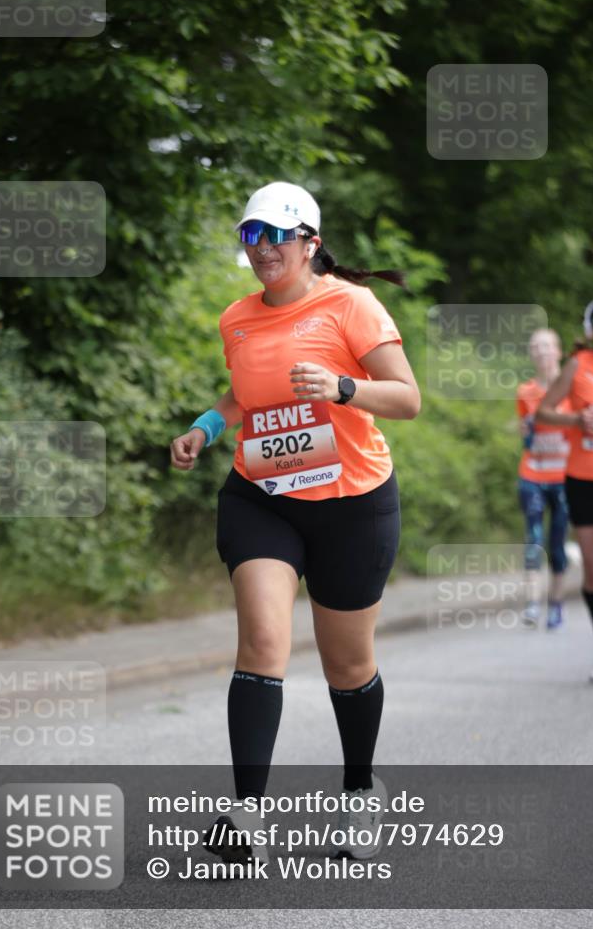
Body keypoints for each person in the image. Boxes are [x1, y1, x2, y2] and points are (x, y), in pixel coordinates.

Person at [170, 181, 420, 863]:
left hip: (352, 506)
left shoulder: (352, 305)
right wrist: (206, 425)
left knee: (347, 664)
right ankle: (244, 817)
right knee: (261, 643)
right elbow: (243, 390)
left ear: (309, 243)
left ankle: (358, 792)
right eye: (252, 236)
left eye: (278, 236)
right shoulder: (237, 318)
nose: (263, 250)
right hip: (262, 498)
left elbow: (406, 398)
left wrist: (343, 387)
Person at [537, 297, 593, 684]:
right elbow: (544, 411)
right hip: (583, 477)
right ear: (591, 328)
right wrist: (576, 419)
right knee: (592, 569)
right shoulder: (578, 365)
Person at [516, 329, 571, 629]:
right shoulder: (526, 391)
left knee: (557, 543)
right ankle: (533, 603)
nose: (541, 352)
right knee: (534, 540)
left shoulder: (574, 390)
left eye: (546, 346)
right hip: (533, 474)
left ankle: (557, 603)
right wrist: (527, 433)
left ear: (558, 351)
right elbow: (526, 441)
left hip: (565, 477)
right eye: (535, 347)